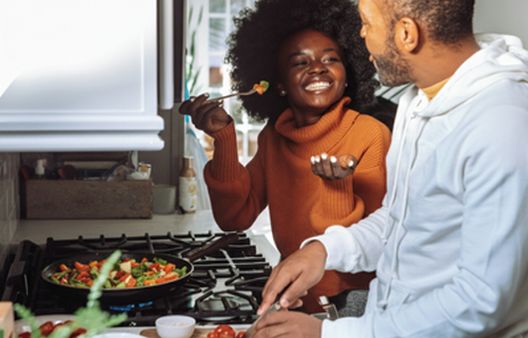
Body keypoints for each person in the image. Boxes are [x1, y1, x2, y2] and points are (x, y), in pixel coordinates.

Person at [255, 0, 528, 337]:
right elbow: (403, 220)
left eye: (368, 23)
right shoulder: (419, 102)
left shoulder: (502, 124)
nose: (361, 34)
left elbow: (479, 301)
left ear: (406, 34)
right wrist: (324, 250)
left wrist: (329, 334)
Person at [179, 0, 392, 313]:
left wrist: (336, 188)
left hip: (351, 309)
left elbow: (381, 241)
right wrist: (223, 138)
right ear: (278, 85)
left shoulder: (370, 134)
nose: (317, 67)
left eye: (331, 58)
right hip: (293, 300)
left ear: (347, 74)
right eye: (300, 62)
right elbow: (233, 218)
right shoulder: (275, 137)